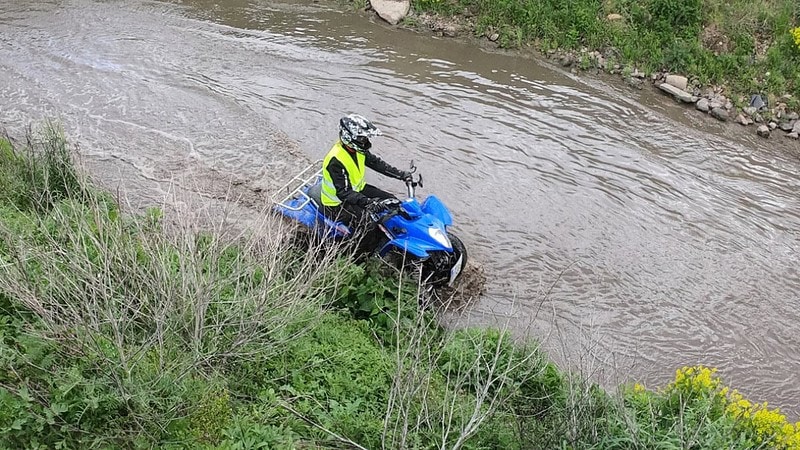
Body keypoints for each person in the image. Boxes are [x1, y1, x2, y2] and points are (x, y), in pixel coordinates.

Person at [320, 114, 412, 252]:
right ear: (349, 137)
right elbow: (344, 192)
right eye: (362, 138)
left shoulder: (359, 151)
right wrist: (369, 202)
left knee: (393, 201)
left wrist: (401, 175)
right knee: (368, 224)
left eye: (365, 138)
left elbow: (378, 164)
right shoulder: (336, 160)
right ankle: (357, 255)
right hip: (336, 203)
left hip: (357, 190)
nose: (365, 141)